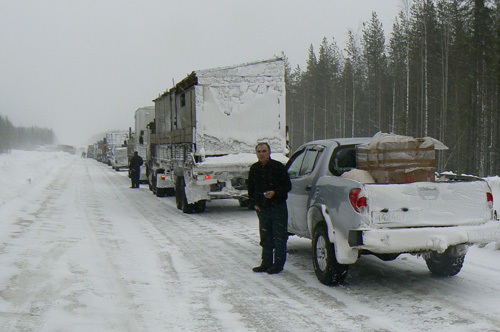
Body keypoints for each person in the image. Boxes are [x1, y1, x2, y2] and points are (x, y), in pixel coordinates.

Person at [248, 142, 292, 274]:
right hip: (263, 208)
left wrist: (275, 193)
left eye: (264, 151)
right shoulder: (254, 169)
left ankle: (278, 264)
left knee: (279, 236)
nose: (261, 154)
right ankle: (266, 262)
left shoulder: (278, 167)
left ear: (269, 152)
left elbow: (287, 186)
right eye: (259, 152)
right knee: (266, 236)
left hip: (278, 206)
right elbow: (251, 188)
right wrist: (255, 203)